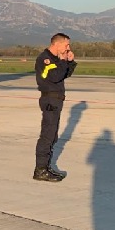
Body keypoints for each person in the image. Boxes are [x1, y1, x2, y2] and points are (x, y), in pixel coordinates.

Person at [33, 32, 77, 182]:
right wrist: (63, 60)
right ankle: (40, 170)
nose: (68, 48)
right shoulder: (45, 59)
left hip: (55, 100)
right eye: (66, 45)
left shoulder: (55, 59)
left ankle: (46, 167)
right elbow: (55, 76)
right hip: (50, 100)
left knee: (52, 135)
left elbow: (64, 74)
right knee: (47, 135)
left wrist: (70, 62)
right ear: (57, 44)